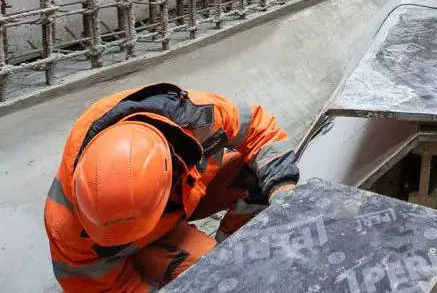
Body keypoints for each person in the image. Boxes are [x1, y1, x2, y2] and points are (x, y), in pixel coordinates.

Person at [44, 83, 298, 291]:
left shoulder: (197, 118)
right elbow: (102, 289)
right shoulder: (66, 225)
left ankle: (237, 250)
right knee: (212, 279)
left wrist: (284, 193)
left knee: (255, 174)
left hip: (180, 199)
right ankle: (214, 267)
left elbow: (259, 128)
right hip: (136, 251)